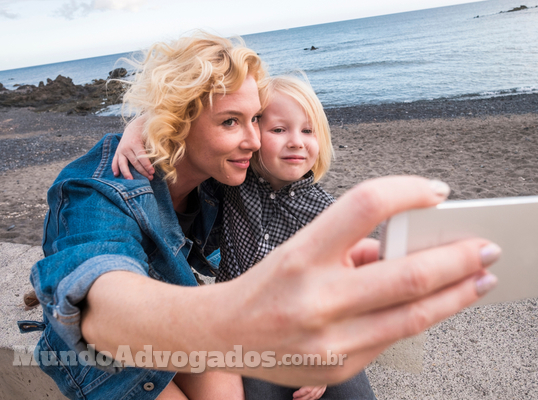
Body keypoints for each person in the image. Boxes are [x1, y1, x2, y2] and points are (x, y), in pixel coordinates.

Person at [21, 31, 500, 400]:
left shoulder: (222, 173)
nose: (253, 140)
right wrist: (236, 314)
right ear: (178, 122)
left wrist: (142, 120)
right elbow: (101, 308)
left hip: (181, 303)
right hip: (97, 351)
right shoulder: (98, 191)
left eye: (254, 119)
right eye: (232, 122)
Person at [114, 75, 377, 399]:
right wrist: (135, 130)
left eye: (308, 131)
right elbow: (185, 122)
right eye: (279, 130)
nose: (296, 141)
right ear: (252, 136)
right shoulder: (236, 181)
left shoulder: (328, 213)